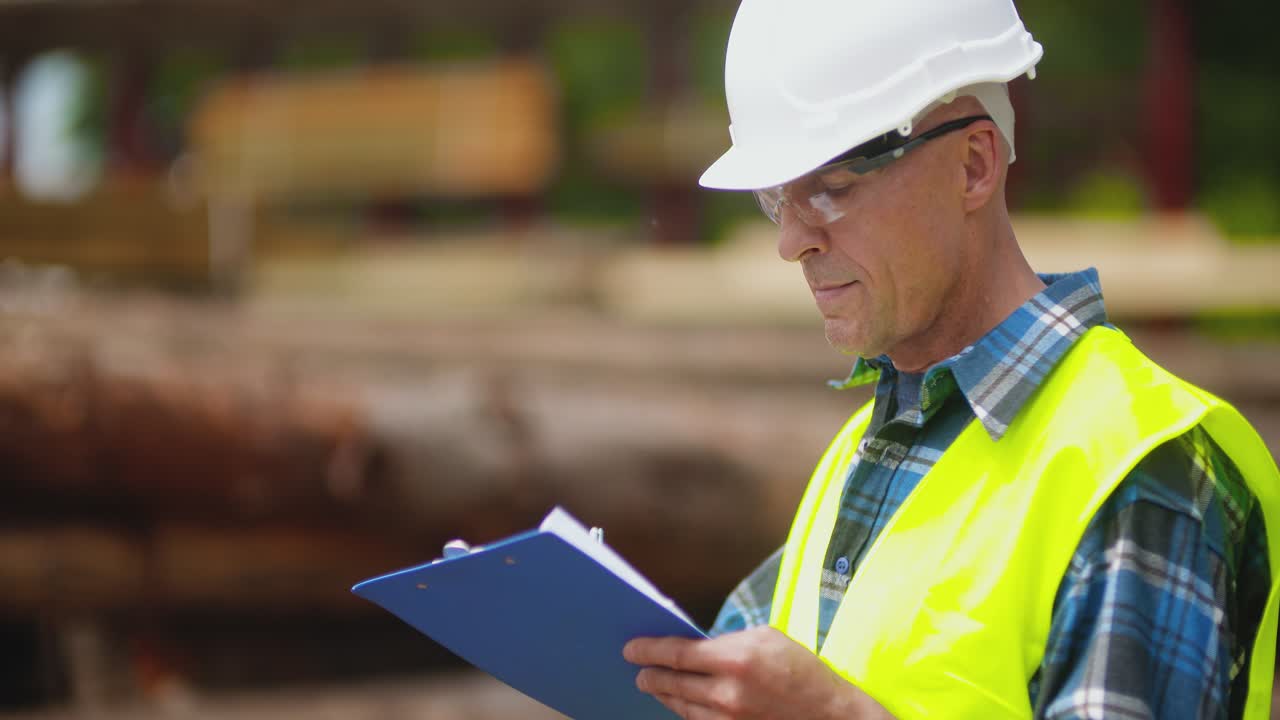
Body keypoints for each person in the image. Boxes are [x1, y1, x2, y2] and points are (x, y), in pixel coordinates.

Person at [622, 1, 1280, 718]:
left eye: (833, 188)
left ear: (973, 166)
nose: (793, 242)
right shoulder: (861, 457)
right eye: (778, 199)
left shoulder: (1140, 470)